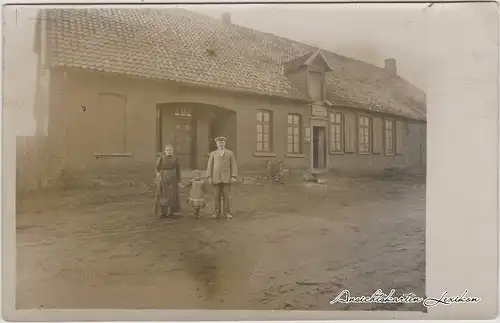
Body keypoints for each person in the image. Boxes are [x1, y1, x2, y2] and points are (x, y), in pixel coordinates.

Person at [206, 137, 238, 219]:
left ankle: (226, 213)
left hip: (226, 178)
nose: (221, 144)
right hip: (216, 178)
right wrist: (209, 176)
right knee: (216, 196)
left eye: (222, 142)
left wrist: (233, 176)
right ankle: (216, 213)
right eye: (219, 143)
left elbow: (234, 165)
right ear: (217, 144)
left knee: (226, 196)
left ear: (225, 143)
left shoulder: (230, 153)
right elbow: (210, 166)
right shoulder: (213, 153)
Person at [154, 145, 182, 218]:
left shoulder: (175, 158)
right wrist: (159, 175)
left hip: (173, 177)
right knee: (163, 194)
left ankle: (171, 212)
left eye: (170, 150)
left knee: (172, 195)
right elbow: (157, 168)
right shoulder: (161, 158)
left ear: (172, 151)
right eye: (167, 150)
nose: (169, 151)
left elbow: (178, 169)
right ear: (165, 151)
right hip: (163, 177)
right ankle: (163, 212)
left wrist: (179, 179)